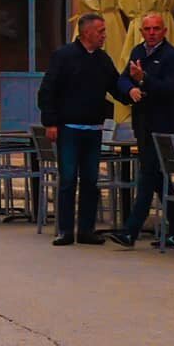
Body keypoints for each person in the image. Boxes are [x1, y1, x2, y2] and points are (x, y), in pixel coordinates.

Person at [37, 12, 133, 245]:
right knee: (68, 178)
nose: (104, 36)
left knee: (90, 180)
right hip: (69, 128)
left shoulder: (103, 60)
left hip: (93, 128)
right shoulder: (63, 56)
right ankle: (66, 230)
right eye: (101, 31)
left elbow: (115, 86)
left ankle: (86, 230)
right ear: (87, 32)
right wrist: (50, 122)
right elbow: (47, 90)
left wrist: (132, 90)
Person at [106, 11, 174, 249]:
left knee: (148, 175)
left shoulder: (173, 56)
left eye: (156, 29)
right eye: (147, 29)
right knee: (159, 178)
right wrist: (130, 89)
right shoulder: (137, 51)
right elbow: (122, 79)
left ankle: (131, 232)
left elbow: (170, 89)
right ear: (141, 32)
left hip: (163, 127)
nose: (151, 33)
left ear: (164, 31)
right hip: (142, 123)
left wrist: (145, 78)